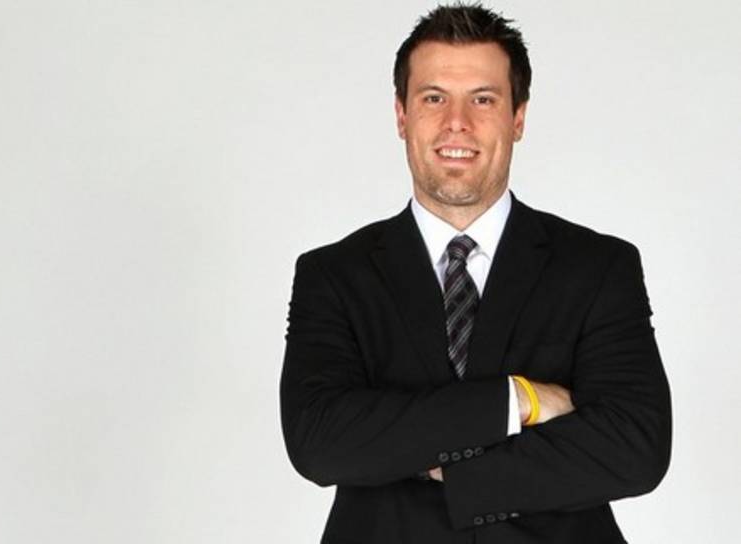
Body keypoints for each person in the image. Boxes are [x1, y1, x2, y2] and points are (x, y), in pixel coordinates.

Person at [280, 3, 672, 543]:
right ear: (401, 116)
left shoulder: (598, 267)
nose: (456, 122)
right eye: (433, 98)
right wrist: (519, 401)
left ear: (518, 118)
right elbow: (321, 443)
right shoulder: (333, 275)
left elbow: (635, 447)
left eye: (483, 99)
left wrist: (445, 469)